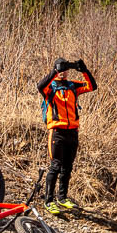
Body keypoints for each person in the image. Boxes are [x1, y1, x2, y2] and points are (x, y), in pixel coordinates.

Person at [36, 57, 96, 214]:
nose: (64, 72)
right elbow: (40, 86)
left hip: (72, 132)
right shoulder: (51, 87)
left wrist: (84, 70)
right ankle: (48, 201)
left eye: (65, 69)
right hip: (57, 132)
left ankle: (62, 198)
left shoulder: (72, 86)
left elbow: (92, 86)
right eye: (61, 69)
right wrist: (55, 71)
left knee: (67, 167)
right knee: (55, 166)